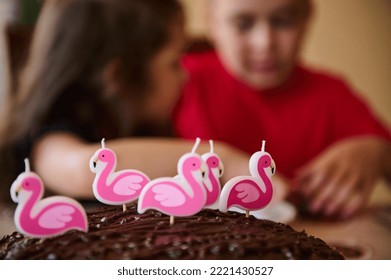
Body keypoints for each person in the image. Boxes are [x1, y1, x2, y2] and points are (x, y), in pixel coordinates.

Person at [0, 0, 254, 202]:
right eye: (174, 63)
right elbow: (83, 169)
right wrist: (223, 158)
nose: (184, 75)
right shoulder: (51, 133)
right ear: (120, 76)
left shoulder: (142, 123)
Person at [173, 0, 391, 219]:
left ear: (306, 20)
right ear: (212, 23)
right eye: (243, 24)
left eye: (283, 22)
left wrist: (378, 152)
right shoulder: (178, 79)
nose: (265, 43)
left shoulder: (332, 94)